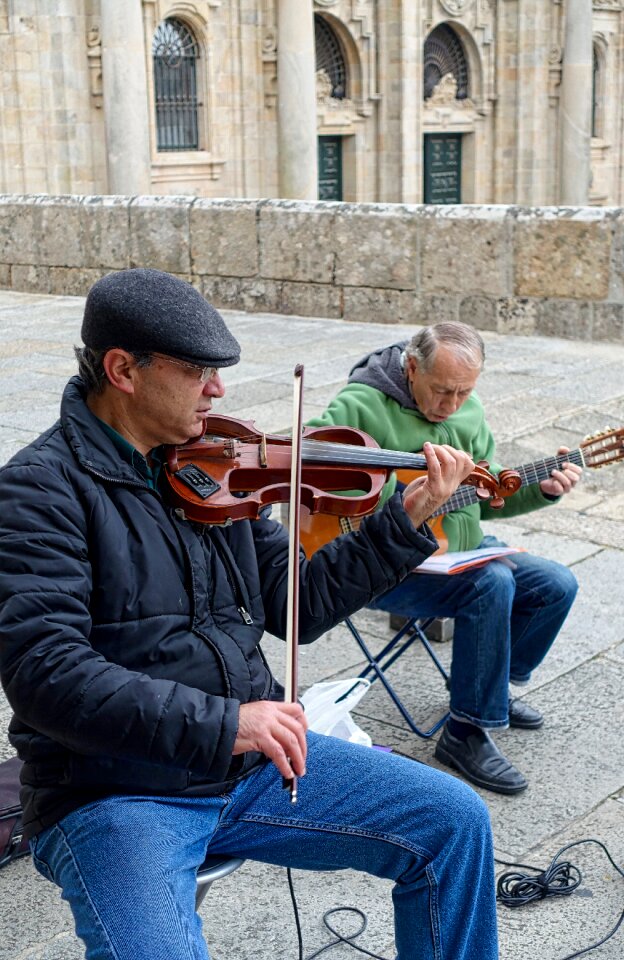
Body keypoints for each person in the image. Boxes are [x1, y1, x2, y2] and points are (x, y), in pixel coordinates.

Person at [0, 269, 498, 960]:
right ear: (123, 370)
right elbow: (44, 674)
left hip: (249, 767)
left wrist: (404, 522)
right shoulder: (37, 493)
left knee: (454, 821)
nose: (218, 390)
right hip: (114, 793)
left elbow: (302, 604)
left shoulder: (213, 469)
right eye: (199, 371)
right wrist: (228, 722)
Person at [308, 321, 581, 797]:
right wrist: (408, 499)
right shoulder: (362, 403)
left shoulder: (468, 412)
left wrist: (541, 488)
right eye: (442, 391)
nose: (452, 405)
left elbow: (492, 494)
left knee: (556, 583)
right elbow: (314, 468)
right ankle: (465, 731)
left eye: (463, 392)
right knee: (491, 582)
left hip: (457, 553)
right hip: (380, 562)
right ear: (411, 368)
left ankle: (489, 688)